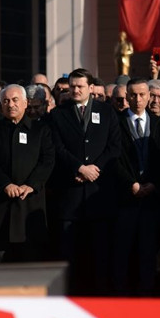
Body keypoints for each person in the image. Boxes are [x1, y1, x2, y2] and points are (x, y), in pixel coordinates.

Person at [49, 69, 121, 294]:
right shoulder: (58, 114)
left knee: (100, 256)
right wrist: (79, 167)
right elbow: (57, 148)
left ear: (91, 88)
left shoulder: (107, 112)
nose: (75, 90)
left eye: (80, 86)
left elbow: (114, 147)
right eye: (72, 86)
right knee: (69, 255)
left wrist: (94, 169)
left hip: (98, 196)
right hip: (70, 196)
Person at [0, 85, 55, 262]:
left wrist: (31, 184)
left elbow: (48, 160)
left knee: (30, 261)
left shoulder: (40, 130)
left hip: (30, 204)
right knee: (0, 262)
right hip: (0, 206)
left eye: (14, 100)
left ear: (25, 103)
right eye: (5, 101)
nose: (10, 104)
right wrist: (5, 184)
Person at [112, 77, 160, 296]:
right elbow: (114, 158)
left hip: (152, 199)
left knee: (148, 253)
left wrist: (153, 184)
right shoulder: (115, 122)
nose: (137, 99)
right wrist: (131, 184)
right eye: (132, 94)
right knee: (122, 253)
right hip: (125, 199)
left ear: (149, 96)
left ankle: (148, 299)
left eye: (142, 94)